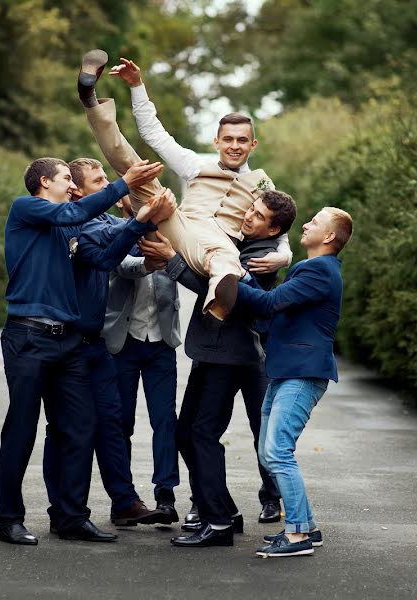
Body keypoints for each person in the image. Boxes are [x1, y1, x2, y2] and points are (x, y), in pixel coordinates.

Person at [0, 156, 162, 546]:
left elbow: (102, 257)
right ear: (42, 182)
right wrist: (123, 184)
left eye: (74, 180)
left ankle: (71, 517)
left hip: (67, 342)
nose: (72, 185)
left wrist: (141, 222)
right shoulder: (26, 209)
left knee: (81, 427)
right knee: (20, 430)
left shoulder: (67, 226)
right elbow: (76, 209)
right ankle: (9, 521)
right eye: (66, 178)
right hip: (28, 337)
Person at [77, 49, 291, 320]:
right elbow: (153, 133)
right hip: (177, 225)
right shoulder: (195, 165)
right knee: (135, 170)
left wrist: (284, 256)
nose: (234, 146)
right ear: (217, 142)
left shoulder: (263, 183)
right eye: (228, 139)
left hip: (214, 245)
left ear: (253, 145)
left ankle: (218, 302)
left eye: (241, 140)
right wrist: (136, 86)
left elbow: (280, 229)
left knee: (225, 258)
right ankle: (90, 101)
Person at [139, 191, 298, 548]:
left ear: (273, 229)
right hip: (212, 352)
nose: (248, 217)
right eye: (251, 209)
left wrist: (171, 262)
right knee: (185, 434)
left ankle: (218, 523)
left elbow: (232, 296)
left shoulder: (262, 258)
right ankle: (223, 509)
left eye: (257, 216)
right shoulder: (238, 238)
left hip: (230, 355)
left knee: (202, 434)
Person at [41, 158, 177, 531]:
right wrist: (139, 220)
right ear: (78, 191)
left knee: (112, 423)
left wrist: (146, 219)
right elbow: (102, 248)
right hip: (66, 344)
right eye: (100, 180)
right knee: (68, 429)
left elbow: (124, 237)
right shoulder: (75, 220)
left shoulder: (105, 220)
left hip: (96, 343)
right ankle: (65, 512)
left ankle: (125, 502)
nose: (108, 183)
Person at [235, 207, 354, 558]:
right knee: (267, 452)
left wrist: (234, 274)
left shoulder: (319, 270)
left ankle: (298, 535)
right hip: (288, 370)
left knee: (277, 450)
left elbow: (270, 304)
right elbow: (272, 311)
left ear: (329, 237)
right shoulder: (313, 269)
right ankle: (308, 526)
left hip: (303, 372)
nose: (306, 224)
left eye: (315, 222)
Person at [102, 194, 182, 521]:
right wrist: (148, 255)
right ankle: (124, 499)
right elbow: (124, 267)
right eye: (136, 201)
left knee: (165, 421)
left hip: (161, 342)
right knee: (122, 424)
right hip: (123, 342)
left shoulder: (173, 235)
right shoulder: (115, 233)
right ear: (124, 204)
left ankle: (166, 496)